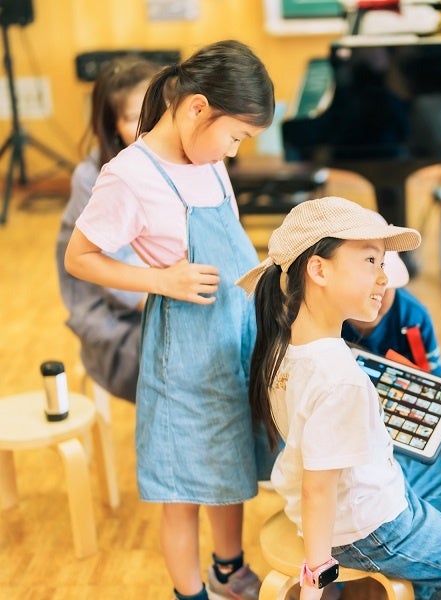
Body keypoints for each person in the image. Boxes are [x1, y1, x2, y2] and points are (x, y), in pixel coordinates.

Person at [64, 40, 275, 600]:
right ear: (198, 108)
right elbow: (79, 257)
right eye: (234, 135)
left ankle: (229, 569)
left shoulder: (207, 160)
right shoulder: (129, 175)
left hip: (232, 337)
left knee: (232, 463)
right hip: (183, 351)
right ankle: (191, 594)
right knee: (182, 484)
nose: (233, 150)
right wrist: (161, 280)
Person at [237, 196, 441, 600]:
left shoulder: (284, 347)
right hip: (368, 527)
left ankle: (428, 580)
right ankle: (434, 578)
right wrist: (316, 578)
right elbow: (317, 490)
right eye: (370, 261)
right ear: (318, 270)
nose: (384, 277)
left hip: (364, 499)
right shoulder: (340, 378)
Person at [55, 57, 160, 403]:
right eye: (133, 118)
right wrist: (168, 300)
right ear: (112, 126)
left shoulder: (169, 160)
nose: (148, 125)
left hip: (160, 289)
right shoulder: (92, 176)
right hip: (115, 312)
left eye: (155, 110)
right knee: (190, 365)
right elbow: (107, 270)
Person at [342, 217, 441, 375]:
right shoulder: (323, 315)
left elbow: (433, 380)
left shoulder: (414, 319)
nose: (376, 293)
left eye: (385, 285)